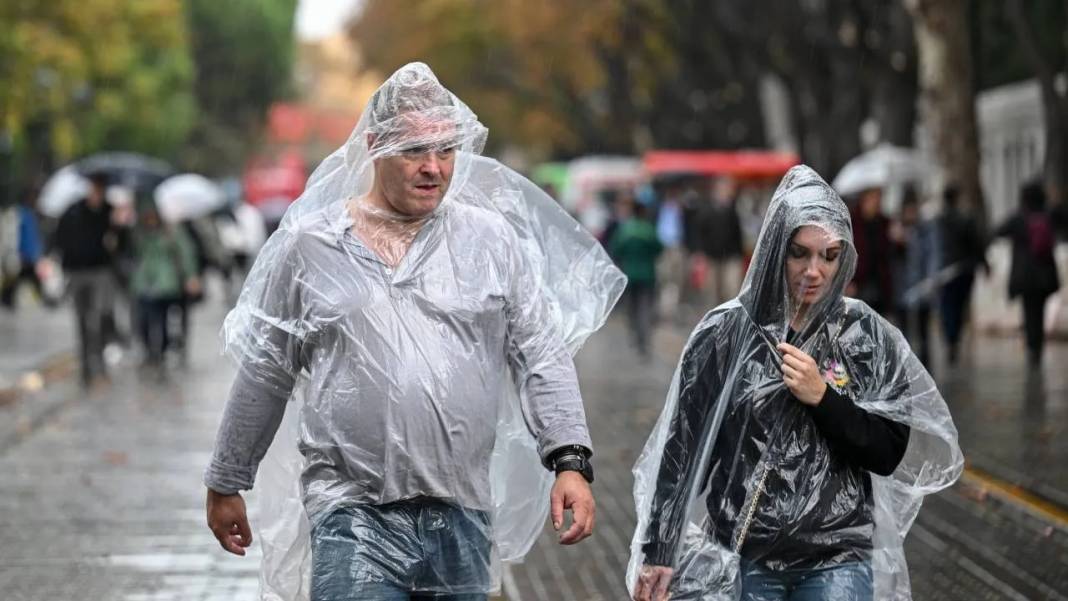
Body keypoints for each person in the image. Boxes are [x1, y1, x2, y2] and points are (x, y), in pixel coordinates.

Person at [204, 63, 625, 600]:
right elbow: (266, 371)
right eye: (414, 152)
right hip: (351, 514)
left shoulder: (490, 241)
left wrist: (570, 460)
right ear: (376, 146)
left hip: (461, 514)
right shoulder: (311, 246)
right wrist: (227, 479)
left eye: (446, 151)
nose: (434, 169)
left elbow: (539, 353)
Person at [629, 165, 962, 601]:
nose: (814, 271)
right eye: (799, 253)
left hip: (837, 557)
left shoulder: (864, 335)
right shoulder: (726, 333)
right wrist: (659, 547)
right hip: (747, 558)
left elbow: (887, 450)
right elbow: (683, 450)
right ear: (773, 250)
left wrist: (823, 398)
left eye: (829, 256)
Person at [52, 171, 120, 387]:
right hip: (76, 272)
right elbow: (59, 238)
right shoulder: (73, 211)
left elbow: (121, 244)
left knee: (99, 318)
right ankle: (85, 368)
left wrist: (117, 230)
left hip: (100, 272)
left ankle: (99, 365)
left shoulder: (110, 213)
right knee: (81, 320)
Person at [990, 180, 1061, 368]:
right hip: (1045, 276)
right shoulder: (1048, 215)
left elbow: (997, 231)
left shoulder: (1018, 218)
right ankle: (1037, 347)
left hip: (1025, 276)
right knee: (1039, 311)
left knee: (1029, 312)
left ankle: (1032, 349)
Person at [129, 202, 200, 371]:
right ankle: (154, 352)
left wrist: (191, 276)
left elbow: (186, 253)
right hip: (146, 284)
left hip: (168, 284)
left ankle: (163, 351)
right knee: (146, 321)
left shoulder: (172, 231)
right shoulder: (140, 233)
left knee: (164, 321)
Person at [935, 184, 988, 365]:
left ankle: (951, 339)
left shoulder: (938, 221)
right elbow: (977, 244)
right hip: (965, 270)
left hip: (945, 270)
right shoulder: (966, 219)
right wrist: (985, 264)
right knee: (959, 304)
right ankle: (954, 337)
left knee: (948, 305)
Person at [890, 191, 940, 367]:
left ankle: (926, 370)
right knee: (903, 335)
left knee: (923, 334)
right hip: (901, 290)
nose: (911, 214)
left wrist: (930, 281)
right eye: (907, 210)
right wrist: (896, 242)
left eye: (913, 210)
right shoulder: (895, 230)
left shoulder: (925, 229)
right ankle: (905, 370)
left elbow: (932, 256)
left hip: (922, 290)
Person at [610, 201, 664, 359]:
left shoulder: (626, 230)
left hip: (630, 274)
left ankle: (634, 333)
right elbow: (658, 249)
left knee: (632, 307)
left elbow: (617, 249)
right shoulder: (649, 230)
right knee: (645, 306)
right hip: (647, 275)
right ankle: (644, 337)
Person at [693, 176, 745, 309]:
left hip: (730, 255)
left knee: (730, 289)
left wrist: (740, 254)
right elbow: (700, 232)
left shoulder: (733, 209)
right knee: (712, 291)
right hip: (712, 256)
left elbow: (738, 233)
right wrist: (700, 254)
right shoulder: (707, 209)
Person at [848, 187, 894, 315]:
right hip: (859, 283)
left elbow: (888, 253)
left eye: (879, 198)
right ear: (865, 199)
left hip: (880, 283)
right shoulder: (852, 222)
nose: (877, 202)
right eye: (874, 197)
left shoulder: (884, 223)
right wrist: (848, 281)